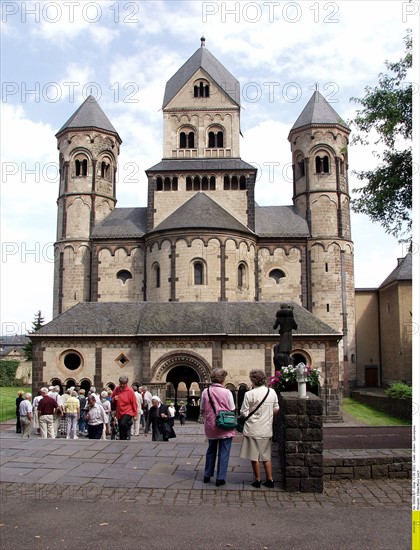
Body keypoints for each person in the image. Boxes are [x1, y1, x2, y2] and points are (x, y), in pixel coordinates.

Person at [239, 369, 280, 488]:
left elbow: (244, 413)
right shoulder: (271, 392)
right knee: (266, 456)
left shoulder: (249, 394)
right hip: (266, 428)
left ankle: (257, 480)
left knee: (254, 456)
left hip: (252, 428)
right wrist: (268, 414)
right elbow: (276, 409)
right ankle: (270, 479)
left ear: (253, 380)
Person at [200, 368, 236, 487]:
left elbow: (202, 408)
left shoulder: (206, 391)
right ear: (223, 379)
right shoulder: (227, 392)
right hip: (225, 424)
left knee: (211, 450)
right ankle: (220, 477)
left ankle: (207, 474)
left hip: (211, 425)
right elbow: (232, 408)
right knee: (224, 452)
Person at [111, 375, 138, 440]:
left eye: (124, 384)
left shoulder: (130, 391)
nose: (122, 385)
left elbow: (134, 403)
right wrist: (114, 399)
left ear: (126, 383)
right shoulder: (116, 389)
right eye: (121, 383)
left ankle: (126, 436)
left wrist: (135, 414)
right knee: (120, 426)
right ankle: (122, 439)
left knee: (123, 423)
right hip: (120, 411)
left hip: (128, 411)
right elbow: (112, 399)